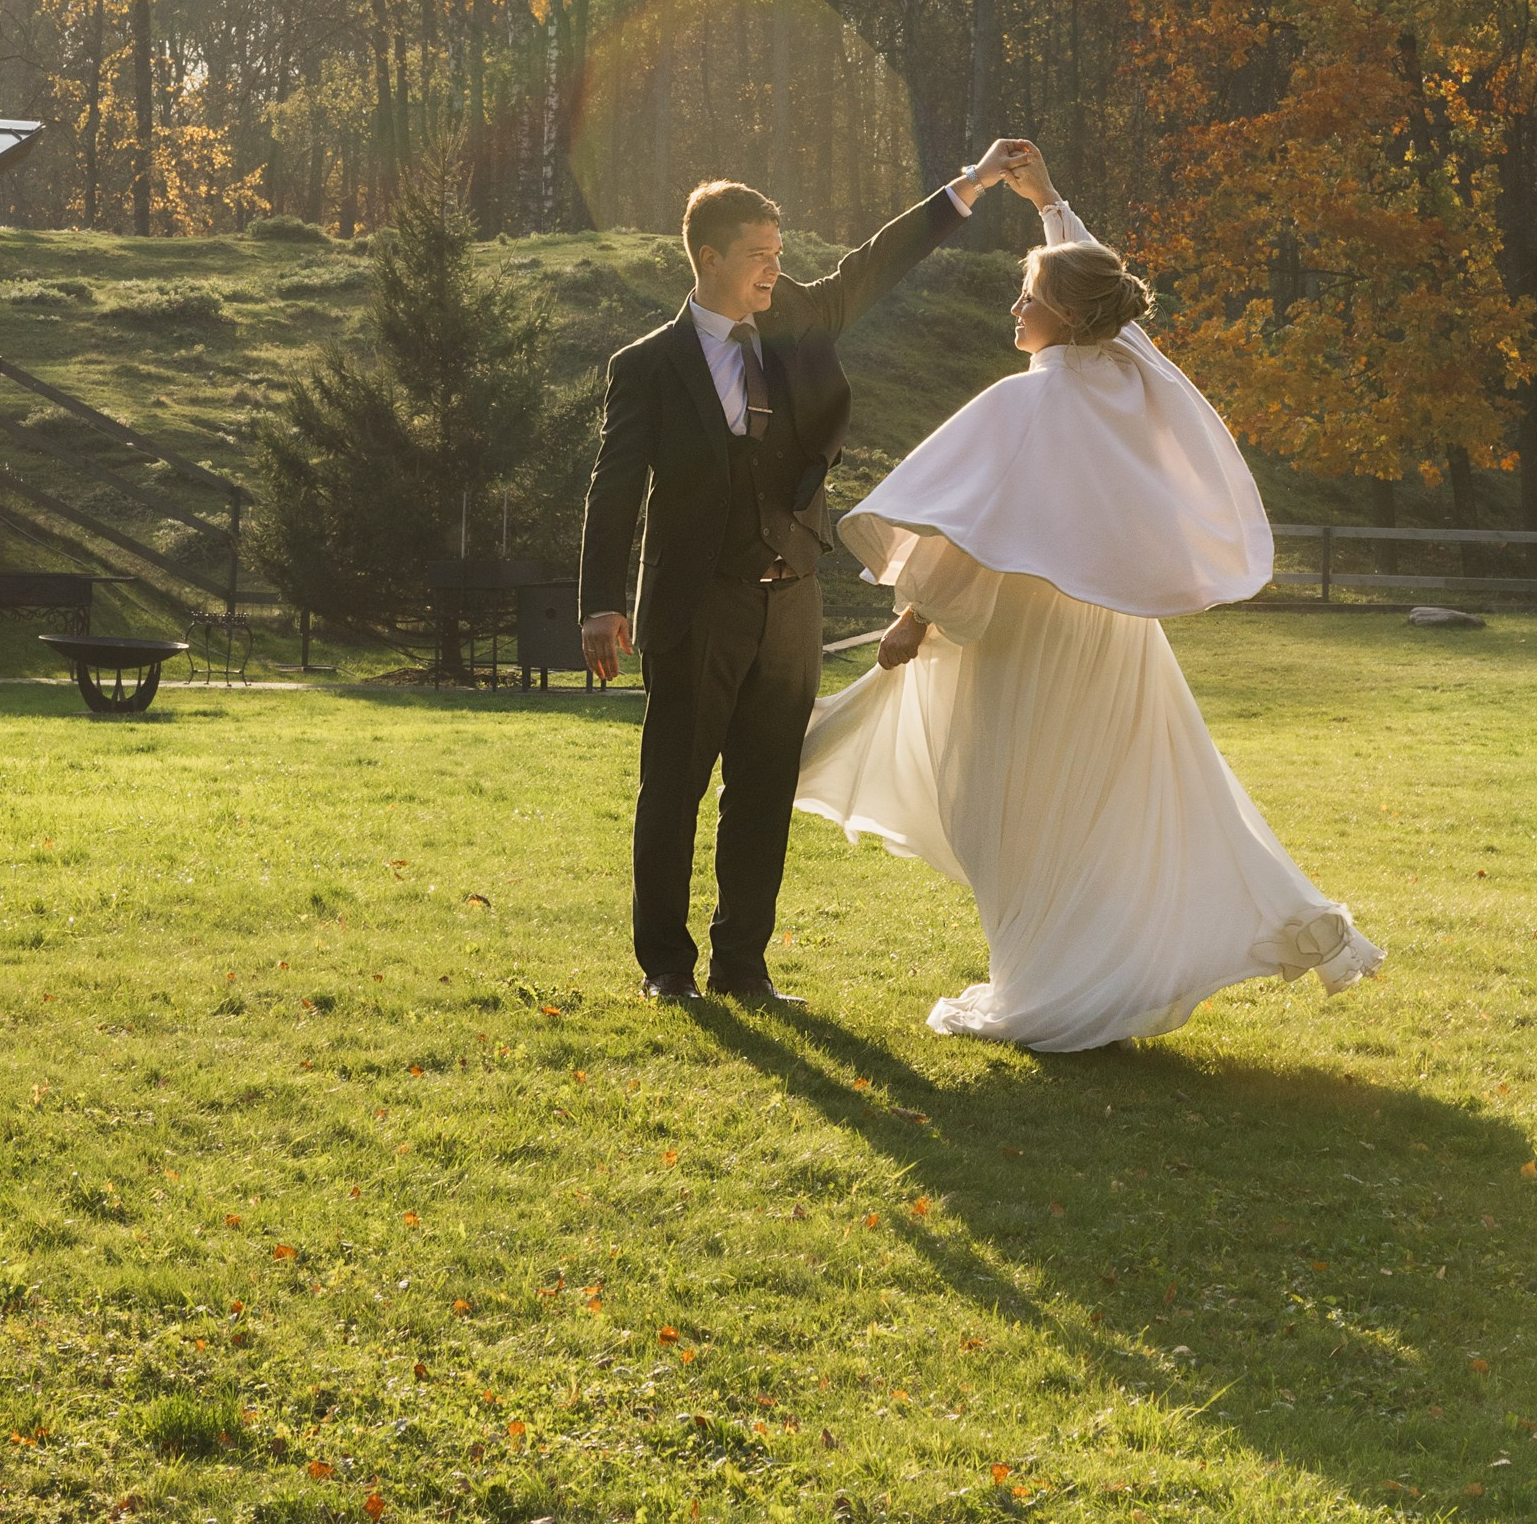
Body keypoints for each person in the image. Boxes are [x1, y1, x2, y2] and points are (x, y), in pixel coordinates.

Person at [794, 144, 1382, 1050]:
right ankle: (1087, 969)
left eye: (1028, 297)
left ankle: (1052, 986)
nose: (1014, 307)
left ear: (1067, 318)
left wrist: (911, 619)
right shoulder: (1125, 386)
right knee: (1099, 800)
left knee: (1013, 809)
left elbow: (974, 535)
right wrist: (1049, 207)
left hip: (1024, 641)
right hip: (1106, 637)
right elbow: (1116, 316)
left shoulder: (1025, 407)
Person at [578, 144, 1032, 1004]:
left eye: (778, 256)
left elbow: (876, 262)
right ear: (707, 259)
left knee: (763, 790)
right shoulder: (646, 366)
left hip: (790, 603)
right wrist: (600, 602)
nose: (773, 270)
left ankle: (742, 968)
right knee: (671, 790)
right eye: (758, 256)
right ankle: (665, 969)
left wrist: (968, 185)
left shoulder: (799, 318)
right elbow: (613, 490)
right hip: (692, 607)